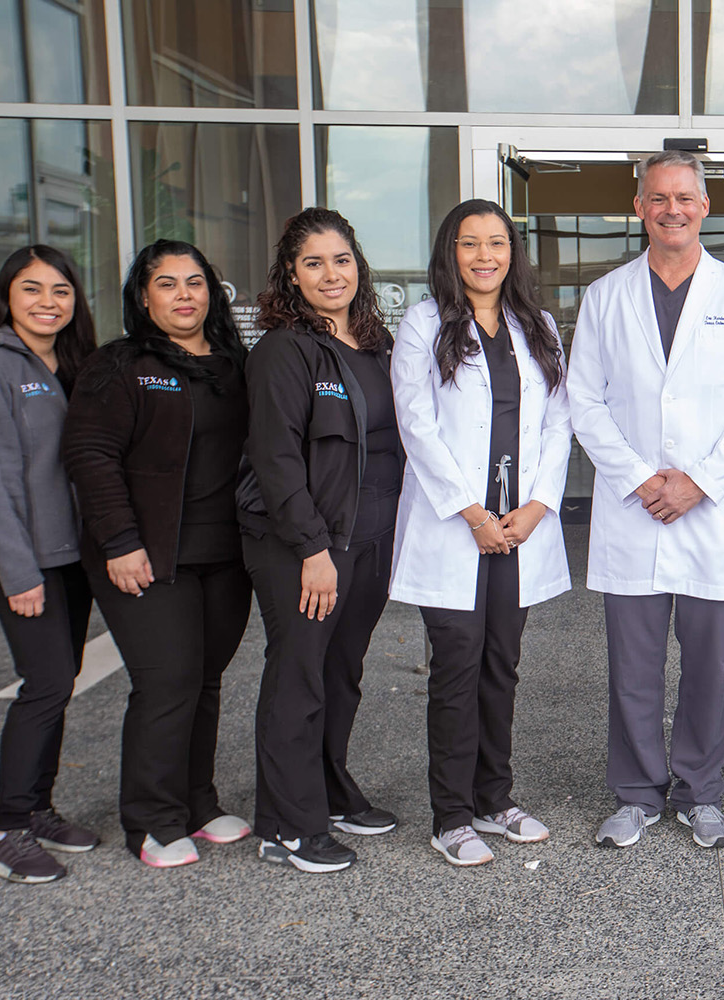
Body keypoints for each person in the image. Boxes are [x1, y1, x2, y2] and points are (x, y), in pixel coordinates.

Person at [568, 149, 724, 850]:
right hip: (634, 509)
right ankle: (635, 793)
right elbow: (584, 402)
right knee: (631, 663)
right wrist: (638, 478)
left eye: (684, 198)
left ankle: (700, 792)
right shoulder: (606, 296)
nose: (672, 210)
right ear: (639, 208)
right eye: (658, 198)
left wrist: (700, 481)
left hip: (709, 509)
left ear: (704, 207)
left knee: (709, 665)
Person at [390, 199, 572, 867]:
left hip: (518, 530)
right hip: (457, 529)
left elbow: (559, 422)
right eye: (471, 244)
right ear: (451, 252)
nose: (485, 255)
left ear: (512, 252)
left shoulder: (539, 324)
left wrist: (535, 509)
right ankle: (450, 816)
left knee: (502, 667)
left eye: (497, 242)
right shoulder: (422, 324)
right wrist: (471, 513)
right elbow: (417, 425)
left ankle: (494, 801)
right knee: (457, 669)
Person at [63, 240, 254, 868]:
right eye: (167, 284)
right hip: (145, 553)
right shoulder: (118, 365)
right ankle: (150, 819)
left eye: (195, 282)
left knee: (203, 678)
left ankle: (197, 804)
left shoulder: (233, 364)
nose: (183, 295)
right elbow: (90, 456)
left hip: (224, 553)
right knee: (166, 680)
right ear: (144, 296)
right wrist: (119, 541)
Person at [240, 207, 402, 873]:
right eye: (314, 263)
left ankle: (330, 790)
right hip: (304, 544)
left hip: (367, 540)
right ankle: (286, 825)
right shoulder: (284, 349)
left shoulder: (372, 345)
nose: (331, 274)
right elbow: (276, 458)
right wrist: (311, 550)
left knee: (342, 672)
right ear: (291, 275)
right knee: (298, 676)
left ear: (357, 266)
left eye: (341, 260)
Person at [0, 245, 100, 883]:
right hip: (21, 557)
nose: (47, 302)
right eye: (32, 289)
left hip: (69, 553)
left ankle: (37, 809)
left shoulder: (69, 362)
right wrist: (19, 572)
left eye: (60, 291)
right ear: (6, 295)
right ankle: (5, 831)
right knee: (43, 683)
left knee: (58, 683)